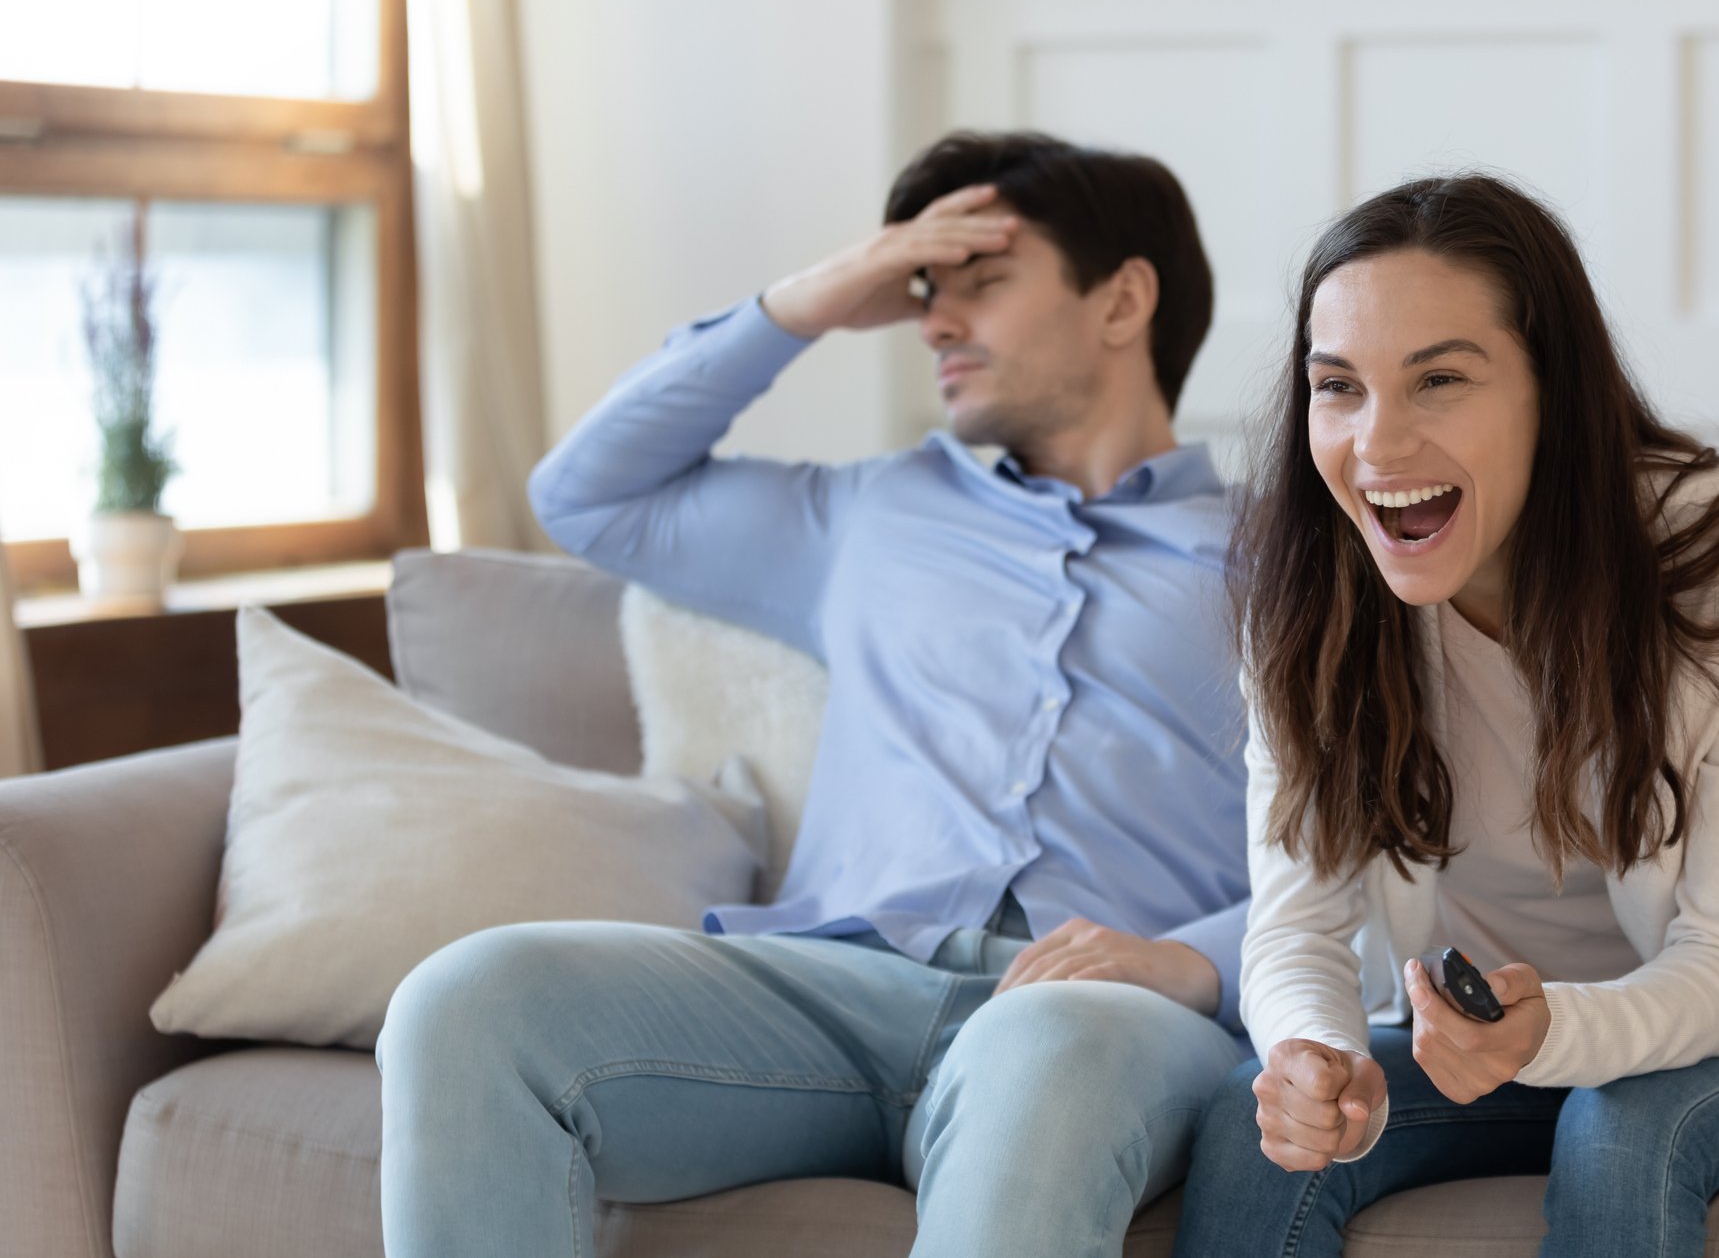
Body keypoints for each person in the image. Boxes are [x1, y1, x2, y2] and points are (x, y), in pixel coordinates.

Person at [375, 131, 1252, 1258]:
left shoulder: (1289, 556)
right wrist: (808, 303)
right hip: (830, 991)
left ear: (1122, 300)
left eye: (980, 282)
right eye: (921, 289)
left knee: (1047, 1048)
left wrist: (1197, 961)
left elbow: (1388, 852)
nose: (933, 320)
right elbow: (586, 494)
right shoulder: (868, 517)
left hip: (1107, 1009)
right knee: (466, 999)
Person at [1173, 174, 1719, 1257]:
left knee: (1619, 1124)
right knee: (1249, 1132)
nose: (1376, 445)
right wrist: (1310, 1056)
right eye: (1337, 387)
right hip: (1490, 1049)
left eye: (1438, 378)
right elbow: (1296, 924)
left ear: (1551, 390)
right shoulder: (1312, 592)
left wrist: (1556, 1032)